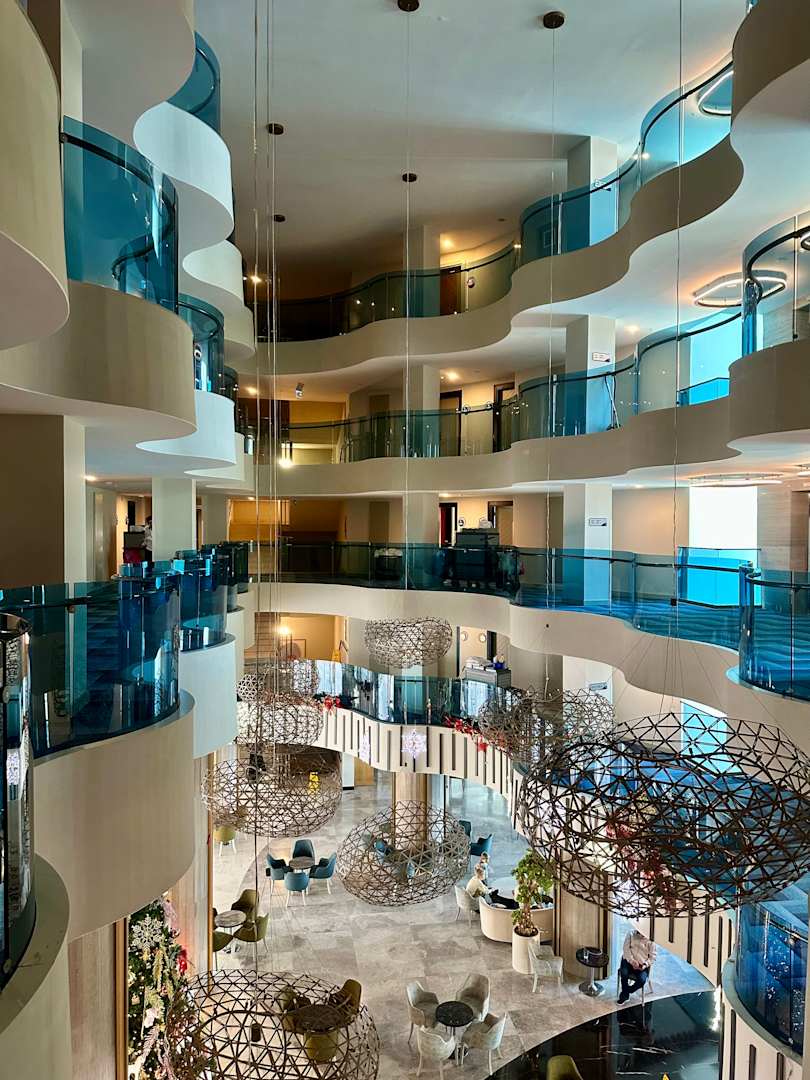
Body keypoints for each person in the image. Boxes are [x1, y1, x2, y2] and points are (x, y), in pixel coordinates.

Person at [618, 928, 656, 1003]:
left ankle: (627, 991)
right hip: (628, 961)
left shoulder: (651, 941)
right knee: (624, 973)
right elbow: (626, 949)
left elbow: (652, 958)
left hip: (641, 965)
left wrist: (644, 965)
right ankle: (624, 996)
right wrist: (632, 961)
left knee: (642, 980)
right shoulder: (630, 934)